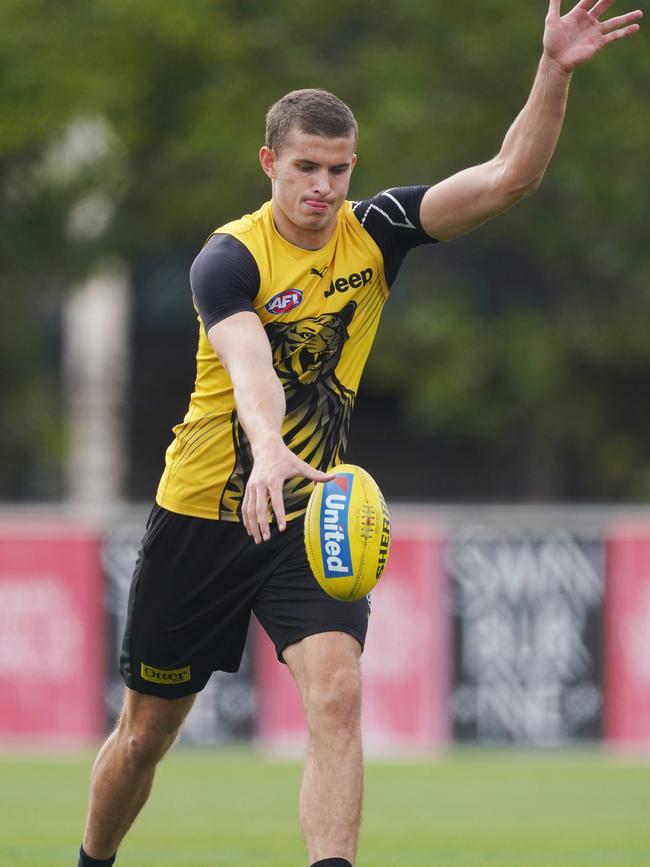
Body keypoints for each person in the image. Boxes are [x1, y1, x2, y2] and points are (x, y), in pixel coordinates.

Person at [76, 2, 640, 865]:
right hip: (201, 514)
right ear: (270, 162)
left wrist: (553, 71)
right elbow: (247, 364)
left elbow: (508, 178)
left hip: (309, 511)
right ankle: (92, 859)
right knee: (145, 736)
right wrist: (266, 445)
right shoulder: (229, 257)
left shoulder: (374, 235)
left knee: (337, 694)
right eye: (306, 167)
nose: (324, 188)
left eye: (340, 169)